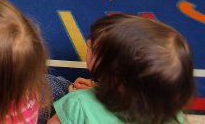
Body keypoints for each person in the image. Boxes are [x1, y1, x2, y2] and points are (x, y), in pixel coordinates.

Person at [48, 14, 195, 124]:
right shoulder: (173, 115)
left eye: (91, 47)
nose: (88, 42)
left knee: (51, 84)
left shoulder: (78, 103)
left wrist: (88, 97)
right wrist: (99, 89)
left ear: (114, 77)